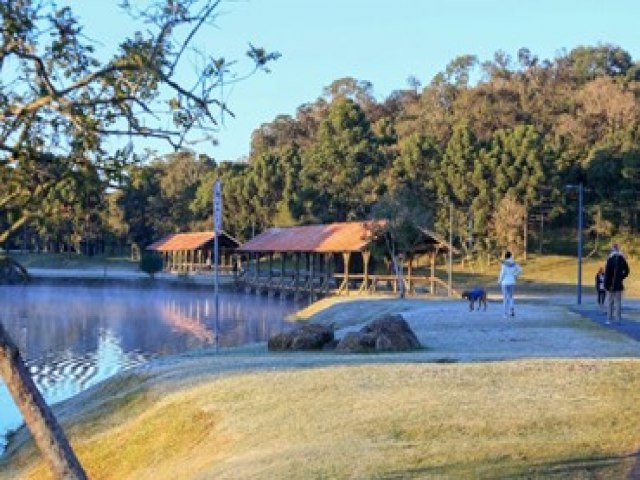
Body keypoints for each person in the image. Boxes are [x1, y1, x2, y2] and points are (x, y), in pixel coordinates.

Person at [604, 243, 630, 325]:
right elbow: (627, 271)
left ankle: (609, 319)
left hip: (610, 284)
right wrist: (621, 277)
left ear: (612, 250)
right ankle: (618, 319)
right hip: (619, 284)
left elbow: (607, 273)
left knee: (610, 302)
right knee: (618, 302)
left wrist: (606, 284)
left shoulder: (610, 259)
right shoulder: (622, 259)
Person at [497, 251, 522, 318]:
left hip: (504, 283)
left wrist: (499, 280)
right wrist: (515, 275)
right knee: (511, 297)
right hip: (512, 282)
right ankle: (511, 310)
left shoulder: (504, 264)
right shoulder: (514, 263)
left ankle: (505, 314)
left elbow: (502, 273)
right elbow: (520, 270)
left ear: (505, 256)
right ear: (511, 256)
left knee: (505, 298)